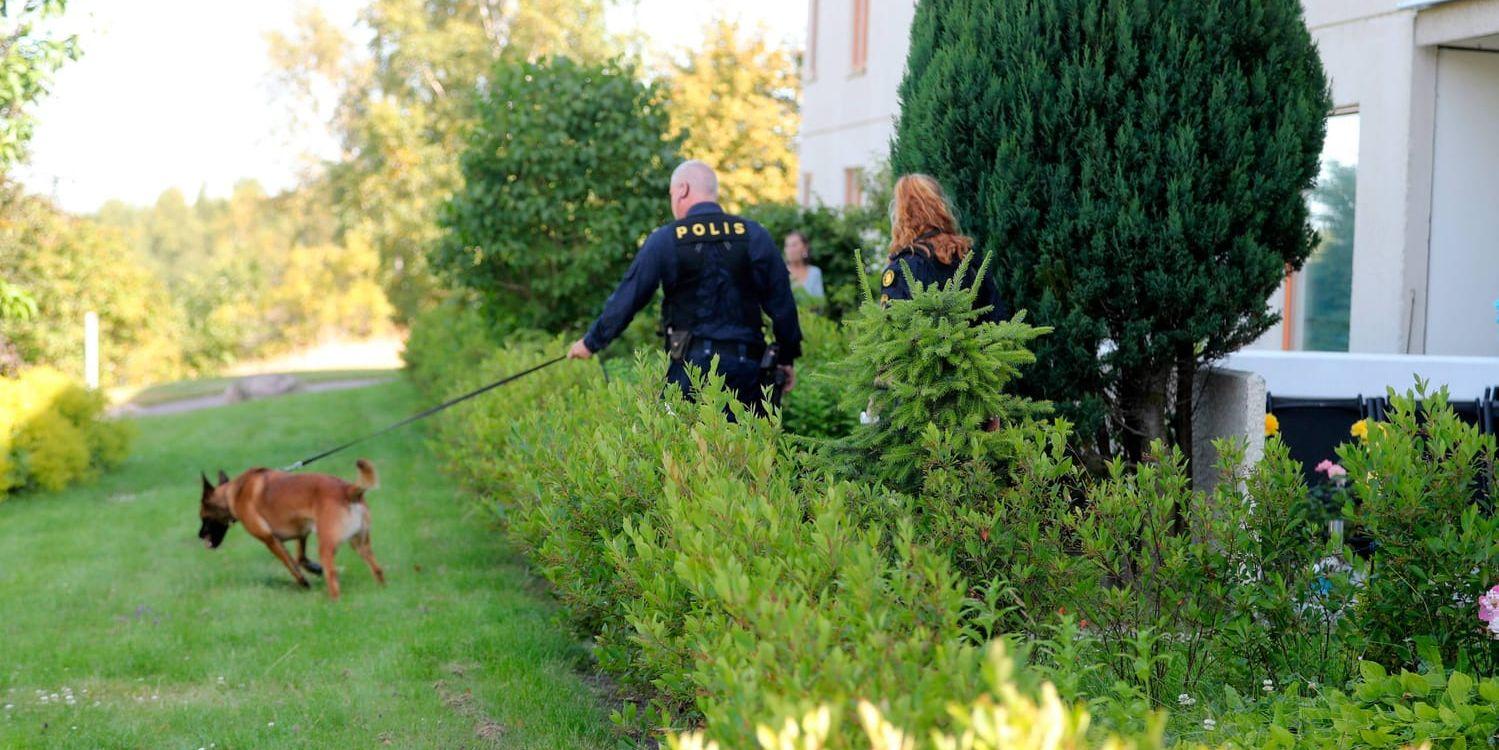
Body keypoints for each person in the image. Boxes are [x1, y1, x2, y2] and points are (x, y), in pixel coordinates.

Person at [567, 160, 802, 412]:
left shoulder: (667, 239)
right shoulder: (754, 234)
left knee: (683, 449)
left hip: (689, 371)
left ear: (682, 190)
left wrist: (591, 342)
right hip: (746, 370)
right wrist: (786, 358)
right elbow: (783, 304)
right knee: (747, 449)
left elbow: (628, 298)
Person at [879, 174, 1006, 323]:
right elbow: (997, 318)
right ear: (941, 206)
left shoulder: (903, 267)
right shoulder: (966, 256)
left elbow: (892, 334)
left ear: (901, 213)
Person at [782, 231, 824, 299]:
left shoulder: (815, 272)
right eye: (787, 245)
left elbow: (820, 302)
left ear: (805, 248)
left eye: (794, 245)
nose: (790, 249)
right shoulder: (780, 272)